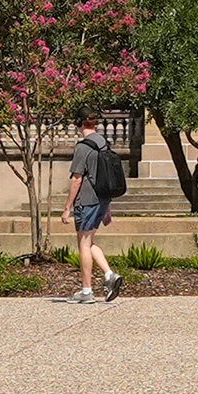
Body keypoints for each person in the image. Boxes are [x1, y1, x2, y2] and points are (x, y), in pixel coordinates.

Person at [62, 115, 123, 304]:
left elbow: (77, 179)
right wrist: (108, 208)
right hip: (102, 198)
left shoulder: (83, 147)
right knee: (89, 242)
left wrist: (67, 207)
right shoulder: (104, 143)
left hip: (86, 200)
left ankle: (87, 290)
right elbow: (107, 176)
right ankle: (109, 275)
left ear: (79, 124)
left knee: (83, 244)